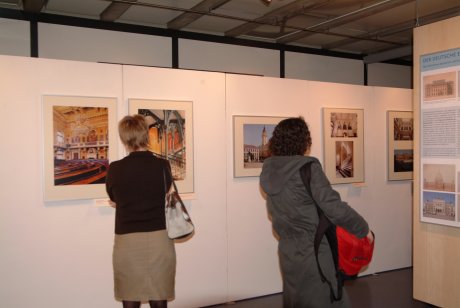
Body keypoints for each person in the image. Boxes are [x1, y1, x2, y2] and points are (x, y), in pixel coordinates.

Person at [260, 117, 373, 308]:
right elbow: (334, 207)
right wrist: (363, 229)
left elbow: (277, 212)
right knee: (326, 297)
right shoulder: (307, 168)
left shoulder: (269, 169)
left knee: (296, 299)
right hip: (314, 249)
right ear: (304, 141)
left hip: (287, 250)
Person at [106, 115, 176, 308]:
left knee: (130, 297)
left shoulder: (115, 169)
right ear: (146, 135)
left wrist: (121, 202)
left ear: (125, 138)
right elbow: (163, 190)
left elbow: (114, 197)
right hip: (160, 238)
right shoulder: (163, 166)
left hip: (127, 241)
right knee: (159, 296)